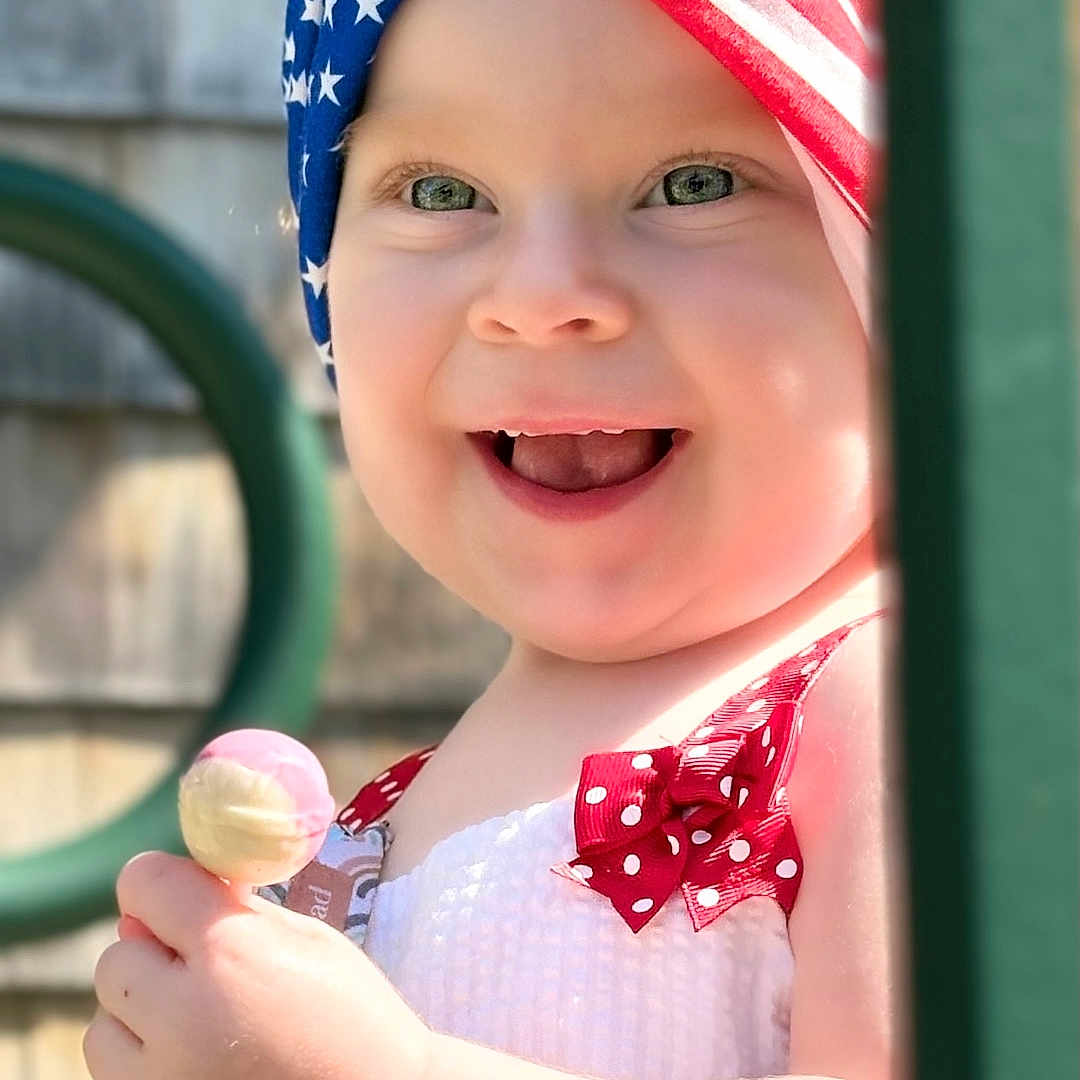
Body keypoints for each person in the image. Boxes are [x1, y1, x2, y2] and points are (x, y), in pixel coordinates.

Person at [84, 1, 908, 1079]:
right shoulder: (403, 810)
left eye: (694, 183)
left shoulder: (901, 704)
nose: (541, 297)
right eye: (441, 192)